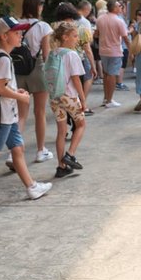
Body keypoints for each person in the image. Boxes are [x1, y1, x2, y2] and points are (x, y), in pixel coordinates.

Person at [0, 16, 52, 201]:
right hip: (3, 117)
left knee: (18, 150)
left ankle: (32, 187)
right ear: (3, 36)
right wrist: (20, 96)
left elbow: (3, 86)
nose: (21, 35)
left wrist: (17, 91)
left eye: (20, 32)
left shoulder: (2, 56)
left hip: (8, 115)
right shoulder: (3, 59)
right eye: (16, 32)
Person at [46, 22, 87, 179]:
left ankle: (61, 166)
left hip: (55, 96)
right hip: (69, 96)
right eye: (75, 36)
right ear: (65, 37)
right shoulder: (71, 54)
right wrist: (83, 100)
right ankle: (70, 155)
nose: (77, 39)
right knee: (81, 124)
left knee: (61, 131)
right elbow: (76, 79)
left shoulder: (53, 53)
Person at [17, 0, 54, 163]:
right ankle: (41, 151)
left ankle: (14, 153)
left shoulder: (16, 24)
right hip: (37, 69)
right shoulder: (43, 27)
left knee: (20, 115)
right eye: (40, 5)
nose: (42, 8)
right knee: (39, 112)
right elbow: (46, 55)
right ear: (36, 7)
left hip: (19, 71)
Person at [56, 2, 95, 116]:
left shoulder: (54, 28)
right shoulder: (81, 27)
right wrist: (93, 65)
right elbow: (87, 48)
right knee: (80, 81)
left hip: (58, 63)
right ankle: (80, 104)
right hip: (77, 60)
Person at [94, 0, 130, 109]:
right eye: (119, 6)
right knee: (112, 75)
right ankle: (109, 100)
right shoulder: (119, 21)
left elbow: (96, 34)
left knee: (106, 74)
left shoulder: (100, 19)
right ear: (114, 8)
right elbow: (125, 38)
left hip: (103, 50)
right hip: (115, 51)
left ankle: (106, 98)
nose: (121, 8)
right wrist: (132, 49)